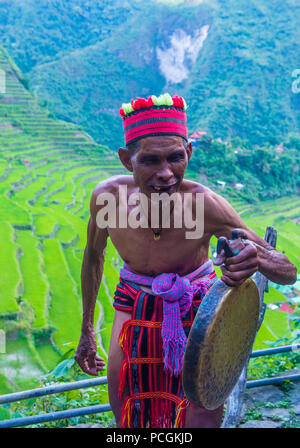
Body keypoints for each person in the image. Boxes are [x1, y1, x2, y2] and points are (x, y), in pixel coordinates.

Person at [75, 93, 297, 428]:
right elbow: (93, 258)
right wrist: (87, 329)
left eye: (176, 158)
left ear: (189, 153)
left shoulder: (205, 204)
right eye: (150, 161)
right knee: (123, 396)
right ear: (126, 160)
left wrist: (257, 258)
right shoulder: (107, 198)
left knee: (202, 405)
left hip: (197, 306)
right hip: (132, 302)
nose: (165, 173)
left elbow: (288, 272)